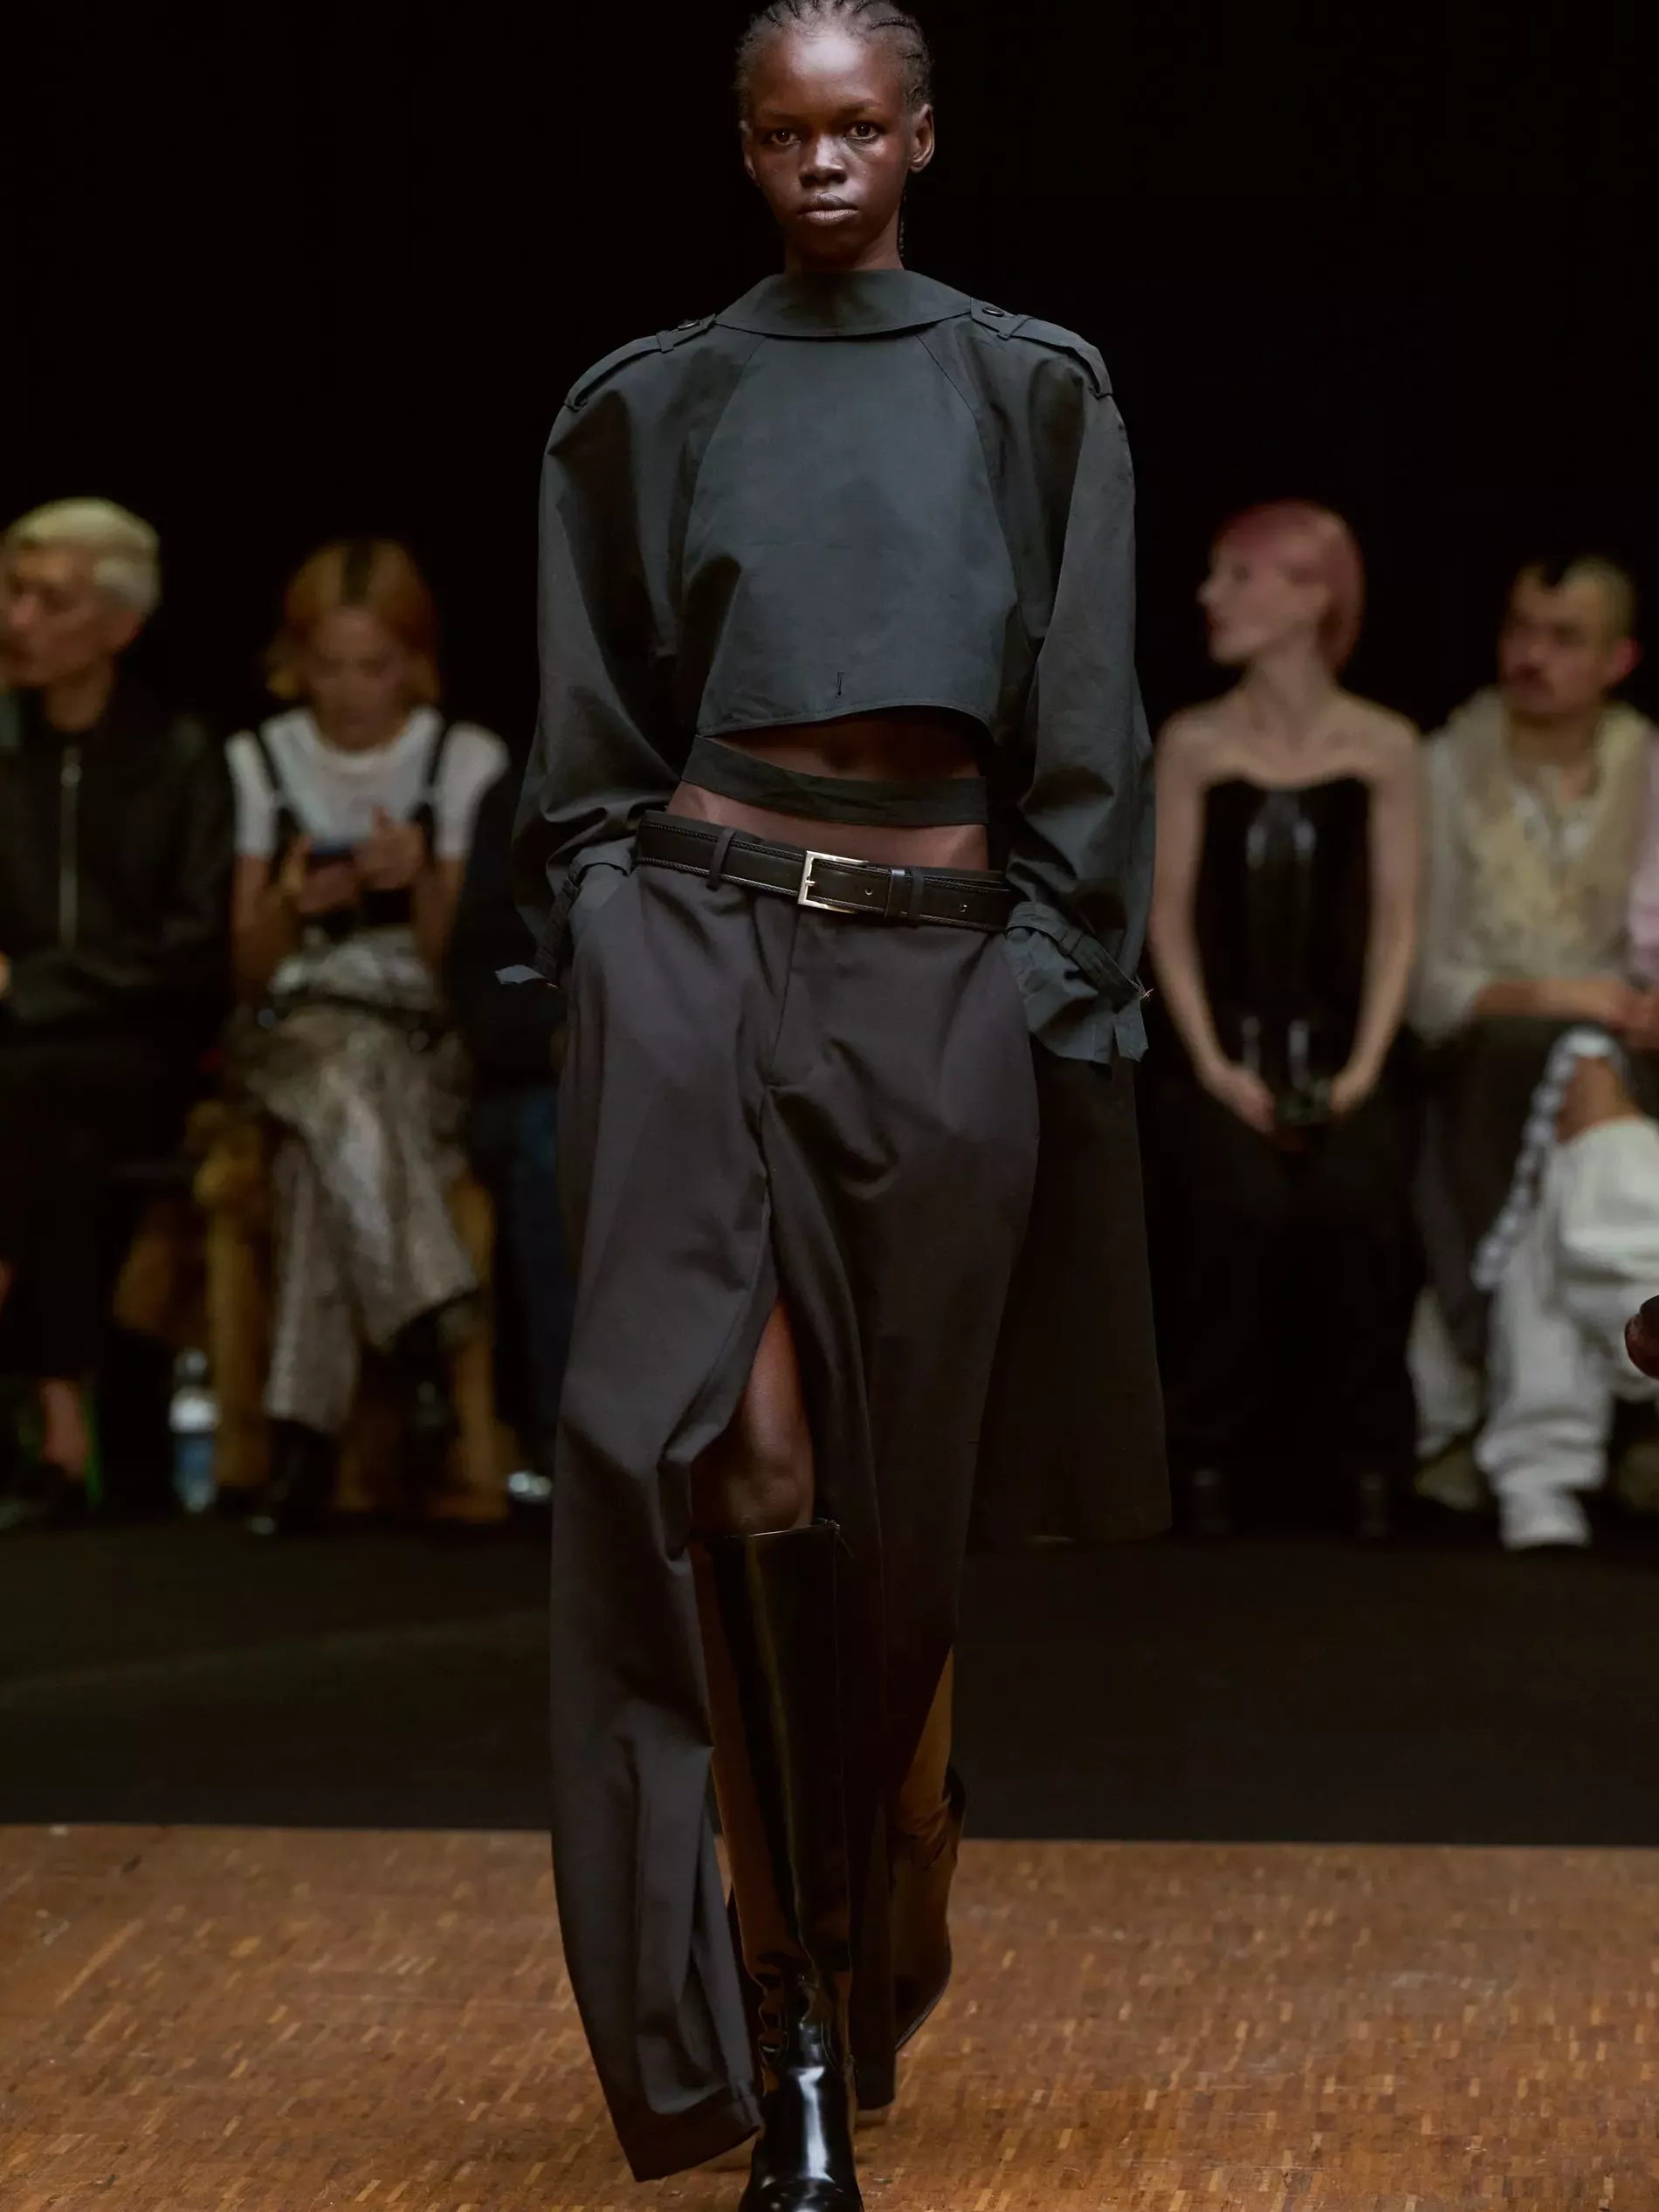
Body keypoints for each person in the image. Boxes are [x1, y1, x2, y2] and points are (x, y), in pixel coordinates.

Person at [512, 3, 1160, 2202]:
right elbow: (586, 735)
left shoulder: (1028, 384)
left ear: (922, 138)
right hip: (698, 944)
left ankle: (888, 1877)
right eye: (786, 130)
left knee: (896, 1521)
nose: (822, 162)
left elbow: (1088, 714)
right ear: (741, 145)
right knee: (738, 1470)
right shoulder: (647, 397)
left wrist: (1041, 982)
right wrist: (613, 932)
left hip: (938, 963)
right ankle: (778, 2030)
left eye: (858, 125)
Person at [1146, 503, 1421, 1538]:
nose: (1209, 596)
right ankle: (1201, 1458)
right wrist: (1216, 1065)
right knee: (1237, 1206)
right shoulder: (1192, 740)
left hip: (1347, 1055)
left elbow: (1397, 922)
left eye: (1239, 575)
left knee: (1357, 1208)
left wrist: (1362, 1068)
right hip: (1219, 1055)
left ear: (1311, 597)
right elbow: (1166, 919)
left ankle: (1370, 1465)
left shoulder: (1386, 744)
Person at [224, 539, 506, 1536]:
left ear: (413, 661)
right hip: (297, 1028)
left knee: (320, 1158)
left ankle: (300, 1440)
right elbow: (246, 969)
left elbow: (462, 962)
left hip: (417, 1032)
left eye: (373, 666)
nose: (349, 692)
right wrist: (291, 903)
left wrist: (417, 876)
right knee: (334, 1070)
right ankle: (428, 1320)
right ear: (296, 662)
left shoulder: (461, 757)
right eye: (328, 666)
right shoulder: (262, 758)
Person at [1409, 555, 1659, 1549]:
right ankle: (1641, 1315)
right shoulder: (1444, 765)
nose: (1531, 655)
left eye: (1563, 638)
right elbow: (1427, 986)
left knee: (1578, 1112)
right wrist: (1561, 995)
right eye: (1519, 628)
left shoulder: (1647, 763)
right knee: (1572, 1064)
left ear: (1617, 659)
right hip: (1483, 1049)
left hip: (1628, 1053)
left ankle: (1537, 1467)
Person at [0, 499, 231, 1535]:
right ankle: (67, 1425)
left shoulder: (178, 755)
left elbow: (190, 944)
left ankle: (61, 1428)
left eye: (49, 599)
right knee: (42, 1122)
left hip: (146, 1044)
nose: (18, 620)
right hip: (27, 1058)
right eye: (14, 592)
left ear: (120, 624)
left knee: (36, 1099)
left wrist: (30, 986)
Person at [445, 762, 572, 1501]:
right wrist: (561, 1035)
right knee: (557, 1143)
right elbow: (485, 969)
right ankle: (572, 1438)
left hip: (708, 1057)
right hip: (543, 1069)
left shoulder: (733, 773)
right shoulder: (528, 793)